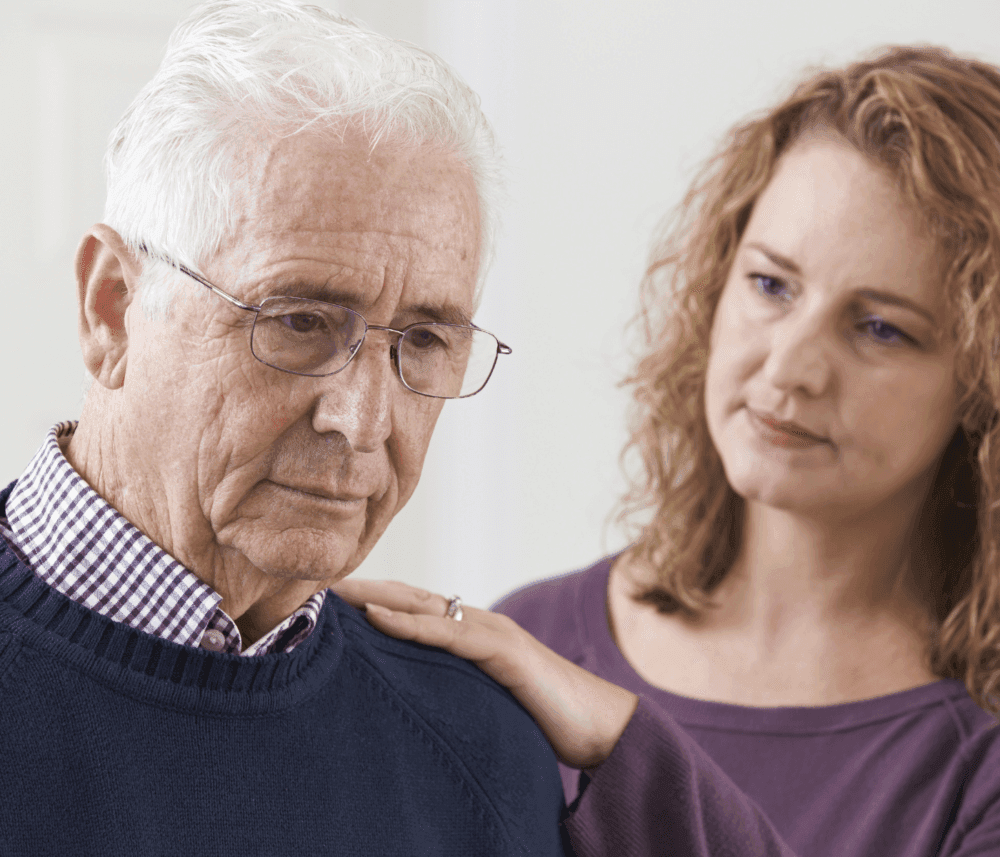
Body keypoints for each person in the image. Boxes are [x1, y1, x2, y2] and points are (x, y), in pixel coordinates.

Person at [335, 45, 1000, 856]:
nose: (789, 367)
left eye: (881, 327)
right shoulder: (531, 638)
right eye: (771, 284)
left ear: (982, 380)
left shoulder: (979, 762)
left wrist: (626, 747)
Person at [0, 2, 572, 854]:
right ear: (112, 309)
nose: (361, 422)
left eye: (423, 340)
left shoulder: (486, 751)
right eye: (300, 322)